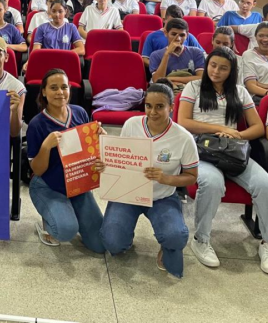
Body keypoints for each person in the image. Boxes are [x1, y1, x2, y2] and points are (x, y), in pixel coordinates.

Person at [178, 48, 268, 273]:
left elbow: (257, 127)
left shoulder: (239, 92)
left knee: (265, 183)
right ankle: (201, 240)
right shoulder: (194, 87)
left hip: (232, 150)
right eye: (213, 65)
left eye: (223, 68)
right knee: (212, 182)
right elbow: (184, 121)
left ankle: (266, 243)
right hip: (202, 149)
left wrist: (236, 134)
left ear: (232, 71)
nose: (216, 71)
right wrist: (219, 129)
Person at [100, 83, 198, 279]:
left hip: (162, 196)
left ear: (171, 107)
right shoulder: (131, 125)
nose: (153, 112)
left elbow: (192, 176)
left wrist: (166, 178)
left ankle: (166, 243)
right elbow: (121, 159)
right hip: (129, 193)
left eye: (160, 107)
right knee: (113, 242)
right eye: (148, 106)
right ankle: (124, 236)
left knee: (175, 238)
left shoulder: (184, 138)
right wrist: (105, 163)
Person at [27, 69, 105, 250]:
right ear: (44, 92)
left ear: (70, 89)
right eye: (53, 88)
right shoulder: (37, 124)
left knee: (100, 244)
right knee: (65, 231)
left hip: (78, 185)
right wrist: (46, 146)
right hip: (48, 186)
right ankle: (49, 222)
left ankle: (69, 211)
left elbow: (90, 155)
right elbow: (37, 170)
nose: (60, 92)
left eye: (64, 87)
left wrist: (101, 139)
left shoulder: (80, 113)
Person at [149, 18, 205, 84]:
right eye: (174, 34)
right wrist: (166, 54)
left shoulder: (196, 52)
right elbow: (157, 80)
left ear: (187, 35)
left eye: (182, 35)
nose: (178, 39)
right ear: (166, 33)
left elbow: (201, 78)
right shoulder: (155, 55)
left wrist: (169, 78)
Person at [243, 22, 268, 104]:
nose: (265, 39)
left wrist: (260, 84)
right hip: (259, 98)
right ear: (255, 37)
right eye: (261, 36)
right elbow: (251, 86)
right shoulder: (249, 55)